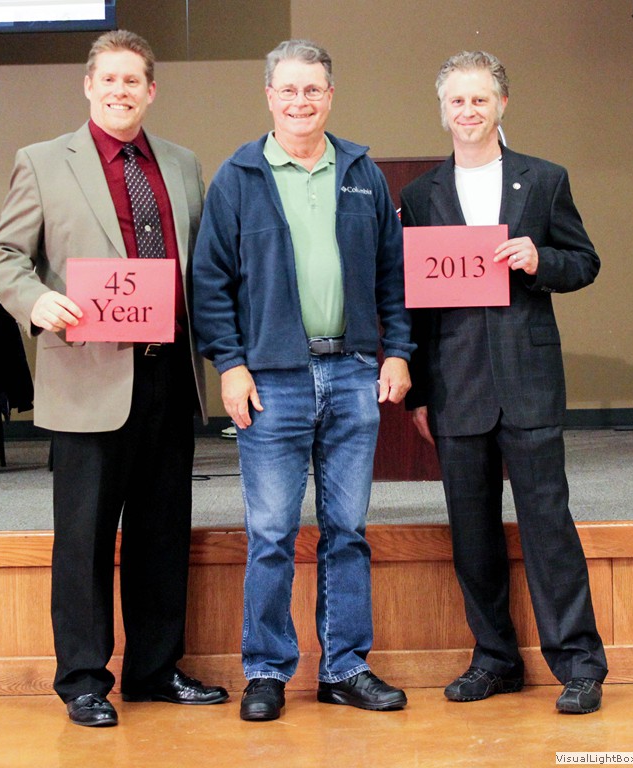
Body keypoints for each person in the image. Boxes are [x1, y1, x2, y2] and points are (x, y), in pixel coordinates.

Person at [0, 29, 228, 727]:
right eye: (109, 79)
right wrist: (36, 301)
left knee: (162, 535)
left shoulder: (181, 164)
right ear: (89, 86)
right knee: (85, 539)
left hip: (167, 375)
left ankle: (155, 670)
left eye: (133, 81)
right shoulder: (42, 161)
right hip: (87, 378)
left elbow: (200, 267)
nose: (121, 91)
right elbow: (4, 256)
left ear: (151, 91)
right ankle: (84, 680)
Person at [193, 39, 414, 721]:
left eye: (312, 89)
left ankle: (344, 668)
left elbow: (392, 275)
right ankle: (265, 671)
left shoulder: (361, 173)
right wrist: (229, 364)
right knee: (270, 534)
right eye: (287, 89)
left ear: (330, 95)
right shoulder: (238, 176)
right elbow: (209, 283)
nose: (300, 101)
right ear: (268, 96)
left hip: (352, 373)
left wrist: (398, 352)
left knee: (347, 530)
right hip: (271, 380)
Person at [401, 51, 608, 714]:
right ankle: (494, 659)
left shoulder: (543, 180)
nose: (468, 111)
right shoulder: (420, 195)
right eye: (457, 101)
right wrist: (420, 393)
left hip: (528, 381)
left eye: (479, 99)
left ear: (502, 105)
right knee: (472, 533)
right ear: (443, 110)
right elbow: (415, 302)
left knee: (548, 525)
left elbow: (584, 262)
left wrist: (539, 259)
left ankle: (579, 663)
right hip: (454, 386)